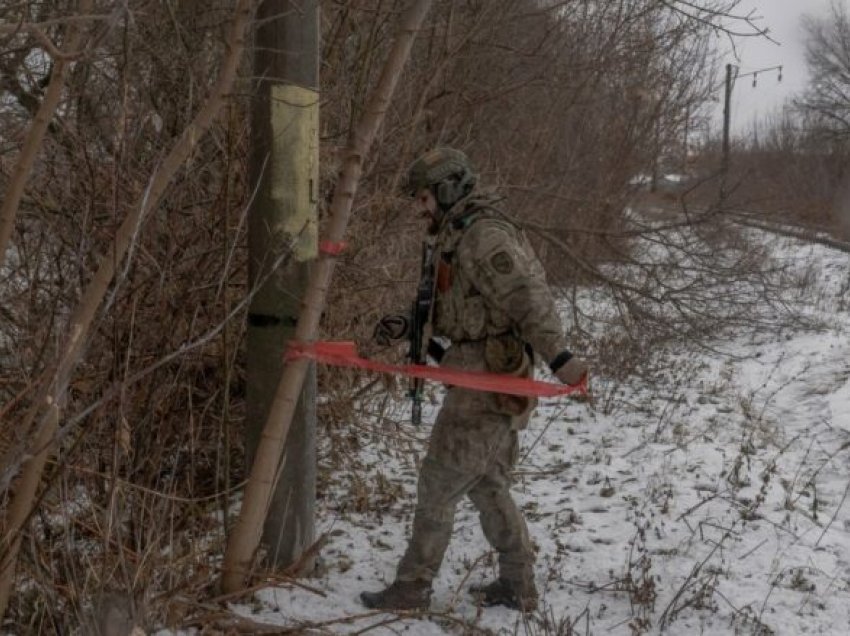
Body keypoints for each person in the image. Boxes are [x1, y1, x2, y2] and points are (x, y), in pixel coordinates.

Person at [361, 147, 588, 612]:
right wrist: (408, 325)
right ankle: (518, 582)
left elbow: (529, 297)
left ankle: (412, 587)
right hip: (474, 368)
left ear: (447, 190)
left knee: (439, 481)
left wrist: (560, 358)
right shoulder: (453, 234)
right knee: (487, 483)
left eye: (424, 198)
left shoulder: (482, 235)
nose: (419, 207)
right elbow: (453, 303)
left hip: (488, 376)